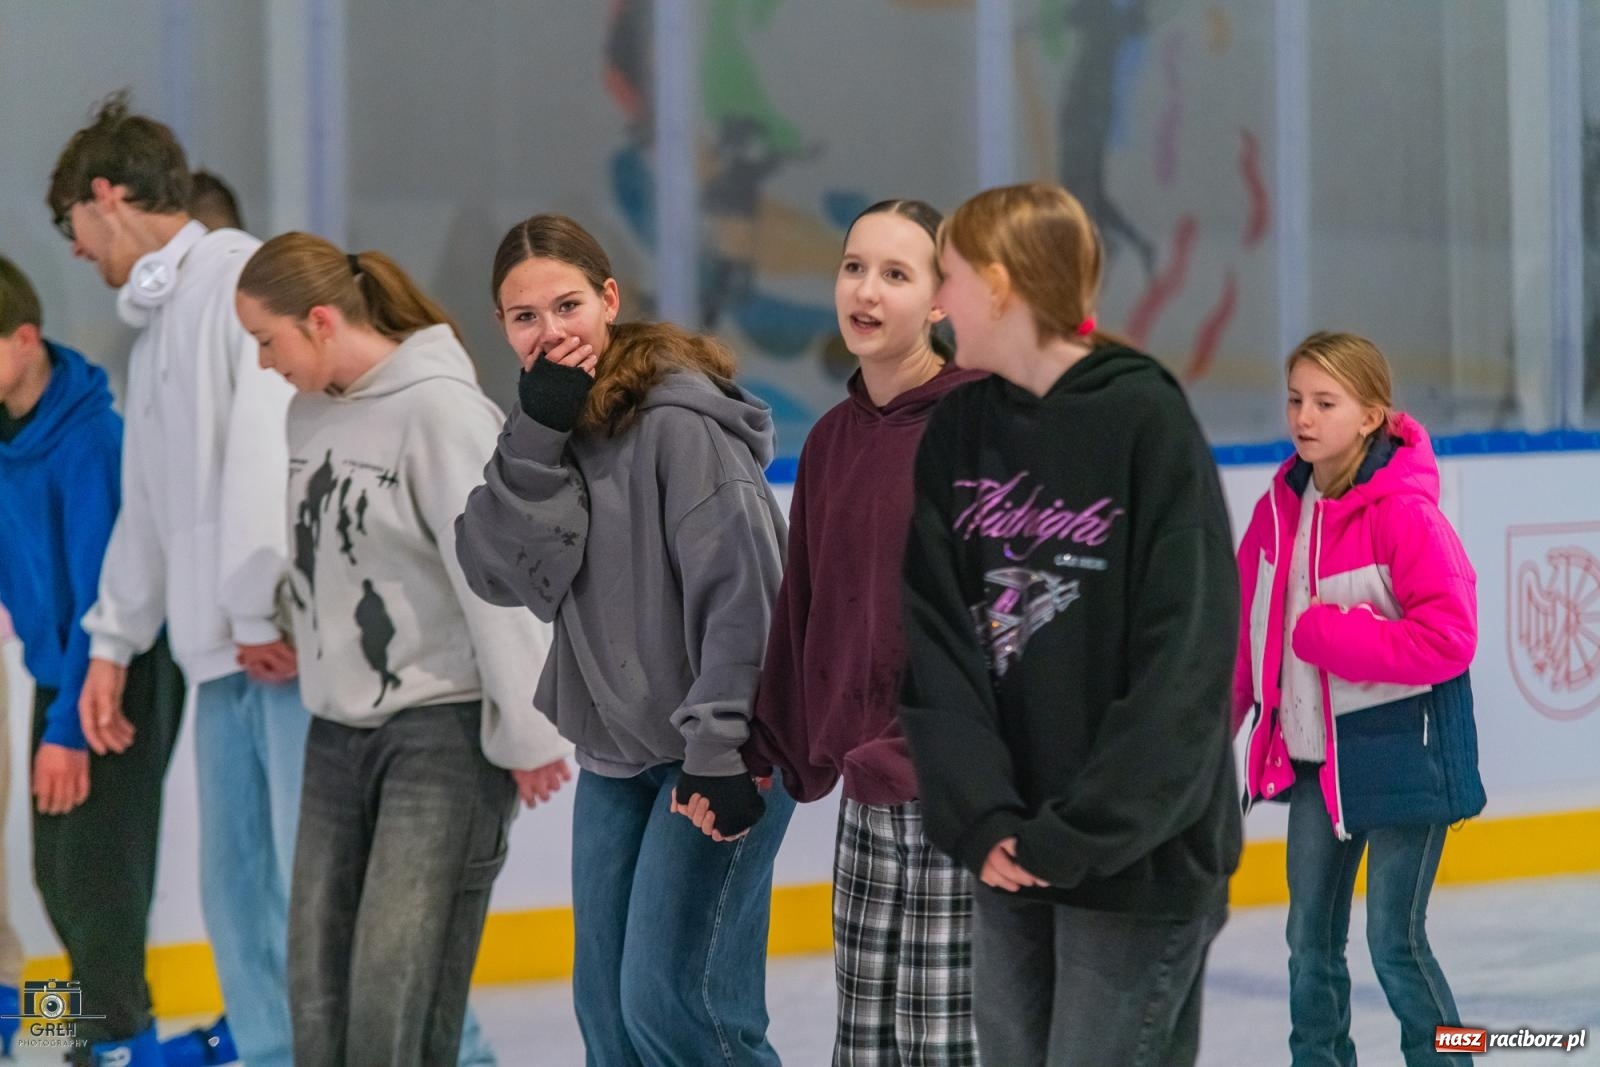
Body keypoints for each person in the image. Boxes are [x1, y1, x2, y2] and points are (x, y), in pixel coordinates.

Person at [897, 182, 1241, 1067]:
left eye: (951, 276)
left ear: (1003, 286)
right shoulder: (959, 430)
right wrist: (983, 818)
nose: (937, 300)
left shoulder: (1144, 418)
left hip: (1137, 859)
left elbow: (1186, 659)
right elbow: (938, 639)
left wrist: (1082, 831)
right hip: (1009, 848)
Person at [455, 213, 794, 1066]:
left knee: (678, 1010)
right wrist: (535, 433)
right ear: (502, 327)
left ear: (608, 300)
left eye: (566, 304)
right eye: (524, 316)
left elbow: (748, 596)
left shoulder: (680, 427)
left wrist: (722, 745)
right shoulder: (546, 430)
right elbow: (495, 568)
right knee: (608, 1018)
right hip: (617, 758)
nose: (550, 332)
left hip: (716, 749)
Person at [235, 232, 572, 1065]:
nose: (263, 361)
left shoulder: (442, 412)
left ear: (318, 322)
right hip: (334, 731)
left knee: (396, 1004)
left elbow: (493, 580)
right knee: (317, 993)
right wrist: (287, 616)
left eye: (266, 340)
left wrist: (530, 736)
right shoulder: (307, 412)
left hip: (440, 738)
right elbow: (336, 548)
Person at [49, 92, 309, 1067]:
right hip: (214, 652)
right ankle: (274, 1051)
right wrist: (114, 639)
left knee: (300, 884)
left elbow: (261, 456)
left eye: (71, 222)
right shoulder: (157, 326)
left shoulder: (240, 276)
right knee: (237, 890)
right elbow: (151, 506)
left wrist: (251, 605)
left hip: (268, 647)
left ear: (105, 196)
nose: (74, 247)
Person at [732, 199, 984, 1064]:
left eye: (896, 273)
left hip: (964, 790)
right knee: (866, 1042)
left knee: (940, 1044)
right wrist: (771, 749)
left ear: (943, 300)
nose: (865, 291)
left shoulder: (978, 425)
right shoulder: (835, 438)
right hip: (869, 790)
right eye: (853, 267)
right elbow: (806, 606)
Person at [1232, 331, 1484, 1066]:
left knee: (1395, 943)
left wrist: (1334, 637)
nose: (1303, 417)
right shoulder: (1278, 509)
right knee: (1308, 941)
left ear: (1372, 415)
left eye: (1325, 402)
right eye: (1295, 400)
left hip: (1405, 753)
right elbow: (1245, 638)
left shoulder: (1405, 513)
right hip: (1315, 764)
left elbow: (1450, 638)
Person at [0, 254, 188, 1065]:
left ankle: (117, 1041)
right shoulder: (6, 437)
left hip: (121, 673)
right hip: (56, 672)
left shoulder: (92, 441)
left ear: (25, 339)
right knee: (55, 875)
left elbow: (98, 603)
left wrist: (73, 730)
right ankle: (100, 1033)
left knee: (97, 880)